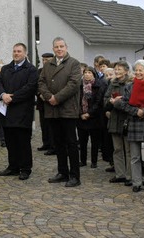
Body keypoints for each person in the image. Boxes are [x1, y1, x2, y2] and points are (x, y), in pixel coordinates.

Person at [39, 37, 82, 187]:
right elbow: (41, 82)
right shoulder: (48, 65)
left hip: (68, 109)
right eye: (56, 47)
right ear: (53, 49)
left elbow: (74, 84)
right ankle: (62, 172)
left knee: (71, 143)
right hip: (52, 109)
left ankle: (75, 176)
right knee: (58, 143)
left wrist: (57, 98)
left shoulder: (74, 63)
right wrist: (48, 96)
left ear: (66, 47)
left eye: (61, 46)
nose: (59, 49)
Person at [0, 43, 39, 180]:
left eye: (19, 51)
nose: (16, 53)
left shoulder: (31, 70)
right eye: (14, 51)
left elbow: (30, 88)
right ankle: (13, 166)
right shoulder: (6, 69)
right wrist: (2, 95)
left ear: (25, 53)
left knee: (23, 142)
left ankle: (25, 168)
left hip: (22, 112)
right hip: (7, 112)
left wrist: (12, 98)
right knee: (10, 141)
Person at [116, 60, 144, 193]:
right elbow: (122, 104)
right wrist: (136, 111)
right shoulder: (129, 86)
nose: (139, 73)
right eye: (137, 70)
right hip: (134, 122)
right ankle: (137, 182)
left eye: (141, 70)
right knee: (135, 156)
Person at [104, 61, 132, 184]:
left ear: (126, 71)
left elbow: (132, 102)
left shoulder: (131, 83)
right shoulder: (112, 83)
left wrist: (119, 102)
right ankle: (120, 174)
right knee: (117, 149)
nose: (117, 71)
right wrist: (110, 102)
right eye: (116, 69)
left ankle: (130, 176)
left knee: (129, 150)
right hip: (114, 120)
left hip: (127, 120)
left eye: (120, 69)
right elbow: (104, 101)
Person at [77, 67, 107, 168]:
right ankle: (83, 160)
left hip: (95, 118)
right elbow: (77, 101)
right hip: (81, 118)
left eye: (89, 72)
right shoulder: (79, 85)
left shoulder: (99, 85)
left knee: (94, 141)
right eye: (85, 72)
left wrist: (89, 113)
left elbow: (98, 102)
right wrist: (81, 113)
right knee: (82, 141)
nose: (87, 74)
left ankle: (94, 161)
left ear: (94, 75)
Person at [36, 53, 56, 155]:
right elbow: (36, 85)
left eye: (47, 60)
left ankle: (53, 146)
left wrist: (48, 96)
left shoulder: (55, 70)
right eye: (43, 60)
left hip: (52, 102)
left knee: (51, 126)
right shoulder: (39, 71)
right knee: (43, 125)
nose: (45, 62)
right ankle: (46, 143)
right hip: (41, 102)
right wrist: (40, 94)